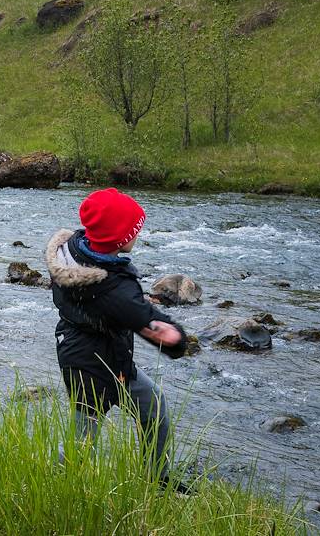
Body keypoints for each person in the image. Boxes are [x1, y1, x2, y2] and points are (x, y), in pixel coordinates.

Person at [44, 188, 191, 490]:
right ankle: (52, 489)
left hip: (107, 356)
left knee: (155, 408)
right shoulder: (114, 290)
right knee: (81, 444)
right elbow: (154, 327)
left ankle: (156, 478)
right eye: (136, 228)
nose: (139, 234)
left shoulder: (74, 249)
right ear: (122, 240)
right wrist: (178, 341)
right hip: (91, 367)